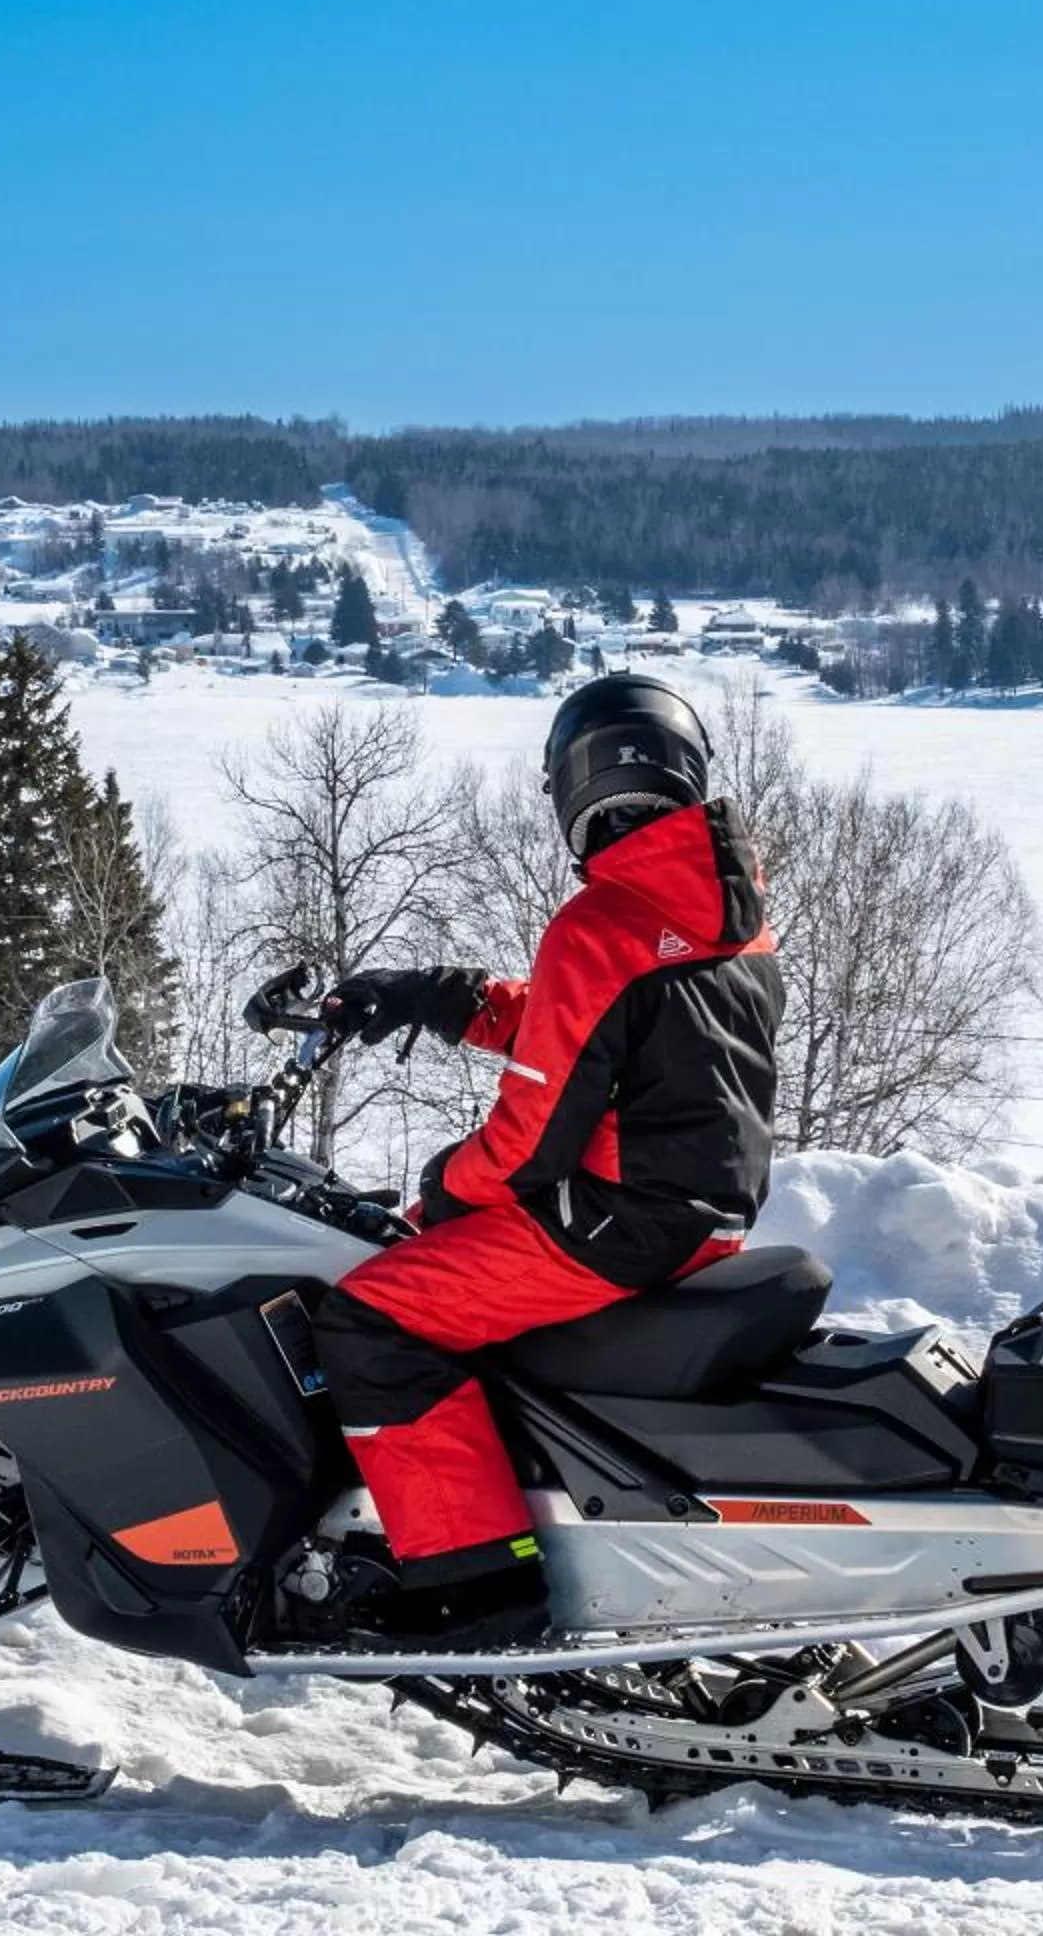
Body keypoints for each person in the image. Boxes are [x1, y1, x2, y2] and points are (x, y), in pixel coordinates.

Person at [311, 674, 782, 1645]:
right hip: (704, 1216)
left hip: (618, 1223)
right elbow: (603, 1028)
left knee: (368, 1313)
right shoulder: (723, 914)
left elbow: (530, 1142)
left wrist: (444, 1186)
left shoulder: (602, 922)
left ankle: (471, 1586)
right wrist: (439, 996)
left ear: (574, 787)